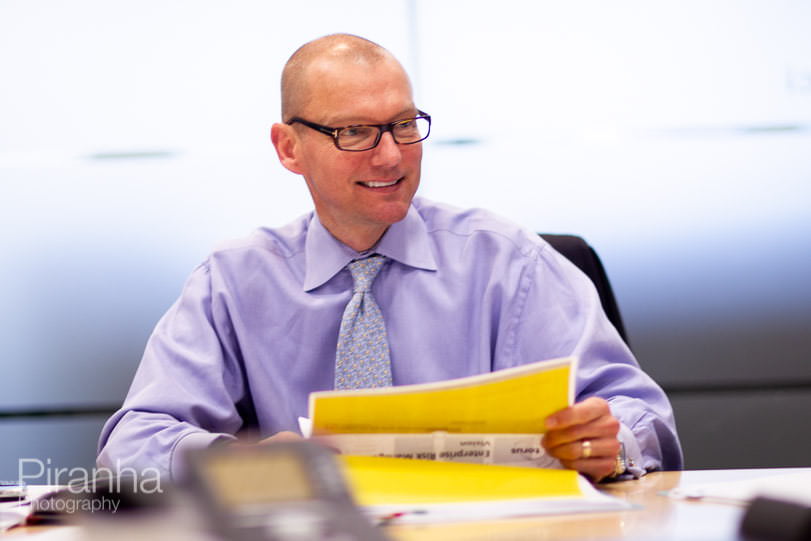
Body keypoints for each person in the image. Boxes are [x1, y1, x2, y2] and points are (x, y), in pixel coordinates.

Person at [97, 34, 682, 483]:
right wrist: (237, 463)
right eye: (355, 132)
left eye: (404, 125)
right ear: (288, 147)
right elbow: (130, 446)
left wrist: (613, 442)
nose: (391, 156)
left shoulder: (509, 262)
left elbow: (641, 413)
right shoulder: (234, 279)